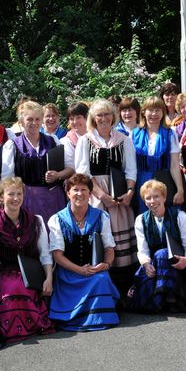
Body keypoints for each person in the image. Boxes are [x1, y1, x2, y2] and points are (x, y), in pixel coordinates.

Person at [74, 99, 138, 295]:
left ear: (113, 116)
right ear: (93, 118)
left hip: (120, 197)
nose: (103, 118)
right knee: (100, 240)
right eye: (99, 115)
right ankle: (102, 291)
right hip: (96, 195)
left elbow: (131, 169)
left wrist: (129, 192)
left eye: (107, 114)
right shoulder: (85, 140)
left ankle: (124, 290)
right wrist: (102, 196)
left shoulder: (124, 139)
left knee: (121, 243)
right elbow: (83, 173)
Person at [0, 177, 54, 342]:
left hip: (32, 271)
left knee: (23, 285)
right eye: (10, 194)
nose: (15, 198)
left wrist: (49, 278)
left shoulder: (36, 221)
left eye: (19, 194)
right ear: (1, 198)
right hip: (5, 271)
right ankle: (12, 330)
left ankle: (34, 324)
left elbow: (44, 254)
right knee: (14, 287)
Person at [47, 174, 120, 331]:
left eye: (84, 190)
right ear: (68, 193)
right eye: (75, 190)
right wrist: (79, 270)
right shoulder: (56, 219)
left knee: (101, 279)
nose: (79, 193)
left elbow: (109, 248)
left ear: (90, 193)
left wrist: (105, 265)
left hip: (94, 270)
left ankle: (96, 318)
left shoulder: (102, 216)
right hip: (68, 273)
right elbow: (57, 255)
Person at [127, 180, 186, 313]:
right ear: (144, 201)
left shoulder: (180, 216)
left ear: (164, 197)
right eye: (148, 198)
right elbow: (142, 250)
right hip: (154, 265)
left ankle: (170, 298)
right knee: (140, 298)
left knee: (162, 254)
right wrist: (146, 264)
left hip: (179, 265)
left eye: (156, 196)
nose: (153, 201)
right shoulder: (140, 220)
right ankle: (161, 297)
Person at [2, 101, 73, 222]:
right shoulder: (12, 145)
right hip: (27, 200)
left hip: (54, 198)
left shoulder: (53, 140)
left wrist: (58, 175)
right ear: (21, 122)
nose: (34, 123)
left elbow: (70, 168)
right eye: (29, 119)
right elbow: (7, 178)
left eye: (37, 119)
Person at [131, 96, 185, 214]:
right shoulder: (134, 134)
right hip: (141, 182)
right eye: (151, 110)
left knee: (166, 218)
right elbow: (130, 166)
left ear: (163, 113)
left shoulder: (170, 134)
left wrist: (180, 189)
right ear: (144, 112)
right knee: (144, 217)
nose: (154, 114)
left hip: (163, 182)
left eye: (158, 110)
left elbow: (175, 165)